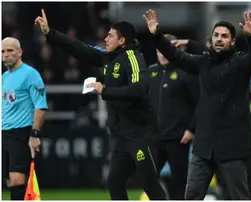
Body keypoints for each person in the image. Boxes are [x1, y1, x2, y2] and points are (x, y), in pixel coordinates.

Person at [34, 9, 166, 200]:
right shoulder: (108, 57)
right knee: (114, 182)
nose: (105, 38)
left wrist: (105, 90)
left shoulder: (134, 58)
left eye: (110, 35)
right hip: (122, 134)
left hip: (141, 133)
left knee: (149, 183)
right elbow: (78, 48)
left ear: (122, 41)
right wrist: (49, 33)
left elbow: (139, 89)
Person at [143, 9, 251, 199]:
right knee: (191, 195)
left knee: (240, 196)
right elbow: (177, 56)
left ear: (232, 41)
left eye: (224, 36)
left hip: (232, 145)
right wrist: (156, 36)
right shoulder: (204, 61)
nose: (218, 39)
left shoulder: (240, 62)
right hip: (204, 146)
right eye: (216, 35)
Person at [148, 34, 199, 199]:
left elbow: (201, 103)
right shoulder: (150, 72)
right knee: (148, 178)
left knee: (180, 183)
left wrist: (192, 128)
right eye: (159, 51)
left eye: (166, 50)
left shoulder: (186, 73)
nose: (162, 55)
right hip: (155, 137)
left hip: (178, 138)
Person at [2, 37, 47, 200]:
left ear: (19, 52)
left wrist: (34, 134)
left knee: (17, 179)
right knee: (8, 180)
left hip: (21, 132)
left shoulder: (30, 74)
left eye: (10, 51)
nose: (5, 55)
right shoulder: (4, 77)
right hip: (4, 133)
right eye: (2, 51)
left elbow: (40, 105)